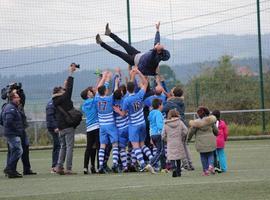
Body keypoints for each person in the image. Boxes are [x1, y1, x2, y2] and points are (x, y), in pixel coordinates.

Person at [114, 67, 153, 171]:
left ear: (127, 89)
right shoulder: (140, 94)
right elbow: (145, 83)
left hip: (133, 125)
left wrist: (118, 111)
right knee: (142, 144)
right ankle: (153, 160)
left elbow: (123, 114)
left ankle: (143, 165)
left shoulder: (126, 100)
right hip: (142, 123)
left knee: (136, 146)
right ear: (135, 87)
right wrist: (138, 72)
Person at [96, 22, 170, 76]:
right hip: (137, 53)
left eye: (162, 50)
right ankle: (109, 33)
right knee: (124, 44)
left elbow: (146, 70)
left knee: (117, 52)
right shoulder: (157, 52)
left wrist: (137, 69)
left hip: (133, 60)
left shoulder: (154, 59)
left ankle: (100, 43)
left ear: (161, 54)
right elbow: (157, 41)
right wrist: (157, 30)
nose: (161, 49)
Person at [53, 63, 78, 175]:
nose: (64, 90)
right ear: (60, 92)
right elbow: (70, 88)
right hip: (68, 126)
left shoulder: (55, 101)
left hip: (61, 127)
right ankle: (68, 168)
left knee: (63, 147)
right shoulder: (64, 98)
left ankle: (59, 167)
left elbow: (66, 90)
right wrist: (71, 73)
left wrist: (65, 85)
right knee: (69, 147)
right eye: (62, 90)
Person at [162, 86, 195, 171]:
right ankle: (190, 163)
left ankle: (185, 164)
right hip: (183, 123)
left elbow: (162, 109)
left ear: (173, 94)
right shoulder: (182, 102)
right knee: (184, 145)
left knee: (178, 146)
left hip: (175, 124)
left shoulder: (170, 103)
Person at [95, 71, 119, 173]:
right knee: (115, 144)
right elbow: (116, 91)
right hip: (110, 125)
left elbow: (99, 88)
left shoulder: (96, 98)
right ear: (105, 91)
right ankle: (115, 164)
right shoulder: (109, 98)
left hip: (102, 126)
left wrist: (104, 78)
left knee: (102, 146)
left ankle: (100, 165)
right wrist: (116, 82)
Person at [187, 106, 218, 176]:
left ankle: (205, 171)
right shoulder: (211, 121)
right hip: (210, 140)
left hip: (200, 141)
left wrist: (188, 139)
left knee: (203, 156)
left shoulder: (196, 123)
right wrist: (216, 133)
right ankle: (211, 166)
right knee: (210, 154)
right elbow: (216, 130)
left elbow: (191, 132)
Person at [1, 91, 24, 178]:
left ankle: (12, 171)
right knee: (19, 151)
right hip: (12, 134)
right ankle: (9, 168)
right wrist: (17, 130)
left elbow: (1, 120)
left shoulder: (11, 107)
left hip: (11, 133)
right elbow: (8, 122)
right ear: (13, 98)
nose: (19, 98)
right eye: (17, 97)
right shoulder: (11, 108)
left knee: (14, 151)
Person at [163, 109, 188, 177]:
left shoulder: (166, 123)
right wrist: (182, 136)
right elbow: (186, 130)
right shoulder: (180, 122)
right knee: (178, 157)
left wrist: (166, 139)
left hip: (170, 142)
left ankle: (173, 168)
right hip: (178, 141)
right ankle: (179, 171)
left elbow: (163, 135)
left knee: (172, 157)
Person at [81, 87, 100, 174]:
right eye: (90, 92)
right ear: (88, 95)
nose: (92, 92)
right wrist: (102, 79)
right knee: (98, 148)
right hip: (96, 127)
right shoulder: (93, 101)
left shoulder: (83, 105)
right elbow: (98, 92)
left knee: (89, 148)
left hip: (89, 128)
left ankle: (86, 167)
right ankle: (98, 166)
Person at [145, 98, 166, 173]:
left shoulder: (151, 113)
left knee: (161, 151)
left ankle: (163, 168)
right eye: (162, 104)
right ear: (159, 105)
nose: (163, 106)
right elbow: (160, 125)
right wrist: (164, 131)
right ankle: (150, 164)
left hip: (153, 135)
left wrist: (151, 136)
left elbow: (151, 125)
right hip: (158, 134)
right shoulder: (158, 113)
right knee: (160, 151)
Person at [46, 98, 60, 173]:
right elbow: (50, 117)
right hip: (54, 128)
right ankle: (55, 166)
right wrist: (55, 127)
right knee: (58, 146)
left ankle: (56, 165)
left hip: (56, 127)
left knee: (57, 146)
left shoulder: (54, 103)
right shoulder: (51, 104)